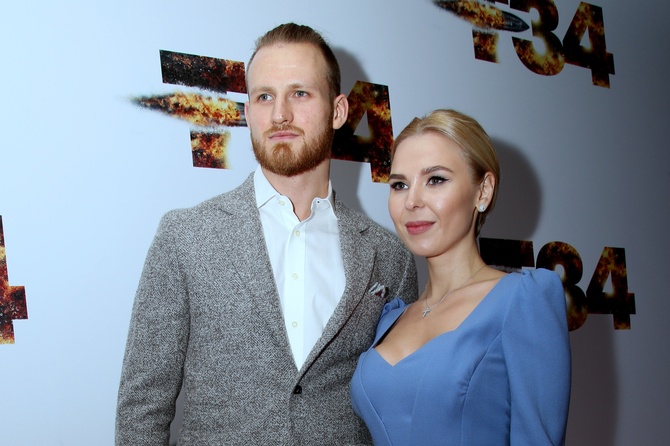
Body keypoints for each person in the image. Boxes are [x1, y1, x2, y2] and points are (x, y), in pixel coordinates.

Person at [115, 23, 418, 445]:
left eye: (300, 93)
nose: (279, 115)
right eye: (264, 97)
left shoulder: (389, 256)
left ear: (338, 111)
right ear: (247, 112)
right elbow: (142, 410)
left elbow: (400, 408)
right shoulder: (184, 237)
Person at [350, 109, 571, 445]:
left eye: (435, 180)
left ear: (483, 192)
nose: (412, 201)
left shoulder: (522, 300)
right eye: (399, 185)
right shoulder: (389, 318)